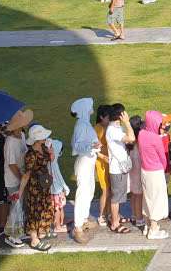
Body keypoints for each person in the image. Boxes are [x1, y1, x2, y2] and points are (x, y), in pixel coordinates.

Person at [19, 125, 54, 252]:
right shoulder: (31, 155)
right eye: (43, 136)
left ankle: (40, 234)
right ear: (37, 139)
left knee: (44, 209)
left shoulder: (44, 148)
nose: (46, 137)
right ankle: (34, 240)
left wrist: (51, 152)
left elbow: (50, 160)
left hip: (44, 185)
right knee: (34, 212)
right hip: (35, 187)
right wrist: (20, 191)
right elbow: (27, 174)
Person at [69, 98, 100, 241]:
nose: (91, 108)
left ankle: (84, 219)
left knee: (89, 190)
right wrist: (91, 147)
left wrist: (94, 146)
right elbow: (78, 145)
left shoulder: (84, 123)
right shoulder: (82, 125)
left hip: (89, 161)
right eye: (90, 107)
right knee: (82, 194)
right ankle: (77, 227)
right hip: (84, 161)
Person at [138, 110, 170, 239]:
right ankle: (154, 228)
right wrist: (163, 167)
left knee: (148, 198)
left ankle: (147, 224)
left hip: (145, 170)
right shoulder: (155, 138)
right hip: (155, 172)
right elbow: (162, 157)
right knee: (157, 199)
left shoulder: (141, 134)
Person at [104, 106, 134, 234]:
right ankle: (114, 223)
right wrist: (127, 123)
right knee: (116, 196)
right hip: (116, 168)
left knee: (120, 194)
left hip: (121, 166)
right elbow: (131, 138)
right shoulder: (112, 130)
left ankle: (117, 217)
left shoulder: (116, 128)